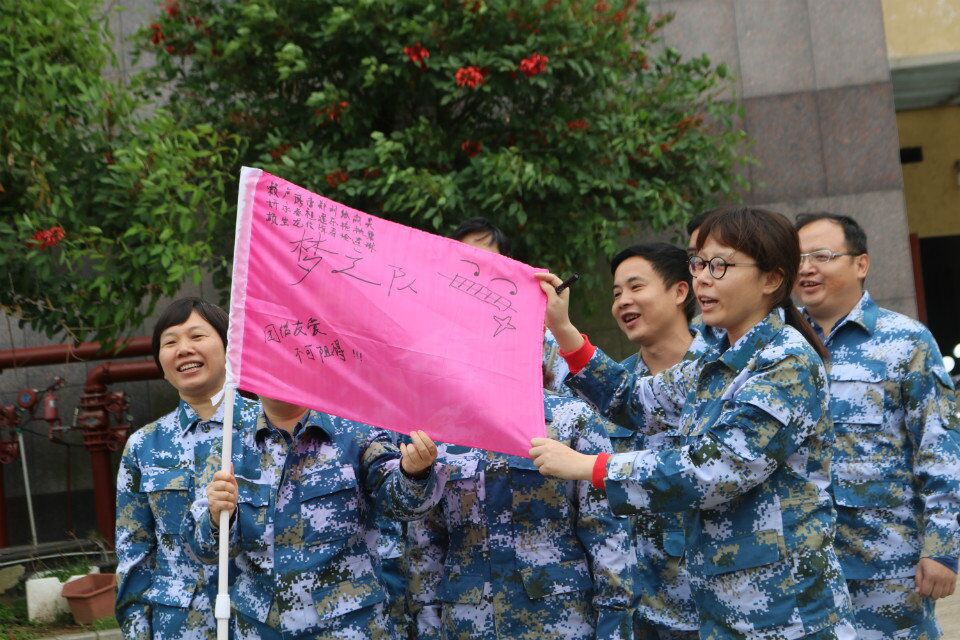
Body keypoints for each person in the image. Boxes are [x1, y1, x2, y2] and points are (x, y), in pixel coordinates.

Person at [530, 207, 857, 638]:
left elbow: (715, 468)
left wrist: (591, 466)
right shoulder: (718, 361)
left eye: (719, 265)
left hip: (789, 615)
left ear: (771, 279)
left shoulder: (786, 363)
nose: (703, 278)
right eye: (698, 263)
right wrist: (564, 330)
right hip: (726, 611)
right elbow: (632, 400)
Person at [794, 212, 960, 639]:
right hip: (801, 567)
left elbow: (940, 451)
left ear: (861, 264)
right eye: (798, 259)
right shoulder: (782, 344)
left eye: (822, 256)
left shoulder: (906, 342)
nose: (806, 268)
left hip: (888, 566)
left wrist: (943, 549)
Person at [405, 365, 636, 639]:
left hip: (560, 623)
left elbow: (605, 529)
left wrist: (614, 624)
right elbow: (426, 540)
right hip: (468, 624)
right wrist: (428, 625)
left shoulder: (571, 419)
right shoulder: (439, 431)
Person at [191, 396, 443, 639]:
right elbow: (205, 550)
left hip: (348, 626)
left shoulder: (356, 430)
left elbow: (401, 504)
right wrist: (216, 517)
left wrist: (413, 473)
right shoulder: (228, 446)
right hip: (261, 627)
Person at [115, 297, 260, 639]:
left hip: (259, 619)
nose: (183, 349)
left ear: (229, 346)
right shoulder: (144, 445)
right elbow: (134, 553)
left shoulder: (269, 429)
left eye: (197, 336)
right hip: (180, 626)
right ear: (161, 365)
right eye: (170, 342)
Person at [605, 243, 708, 638]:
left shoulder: (723, 375)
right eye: (616, 293)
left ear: (680, 291)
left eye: (635, 287)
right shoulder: (609, 388)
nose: (623, 302)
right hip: (633, 607)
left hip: (709, 604)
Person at [452, 216, 571, 395]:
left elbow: (574, 401)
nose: (476, 272)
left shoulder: (542, 338)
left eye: (488, 262)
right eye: (467, 260)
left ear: (509, 268)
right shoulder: (434, 335)